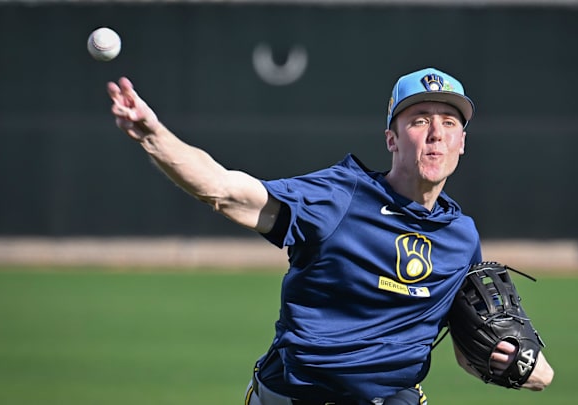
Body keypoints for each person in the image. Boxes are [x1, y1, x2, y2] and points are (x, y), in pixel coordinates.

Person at [107, 67, 553, 405]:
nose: (436, 133)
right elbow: (225, 191)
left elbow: (468, 347)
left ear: (462, 143)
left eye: (450, 123)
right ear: (392, 139)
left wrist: (518, 361)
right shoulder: (340, 197)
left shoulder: (461, 236)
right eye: (419, 120)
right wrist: (153, 135)